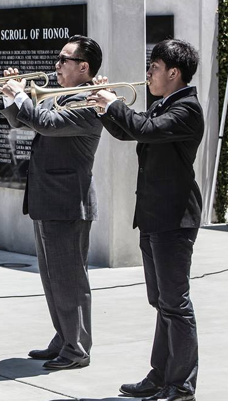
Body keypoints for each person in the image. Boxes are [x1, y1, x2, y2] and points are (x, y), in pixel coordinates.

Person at [88, 39, 202, 401]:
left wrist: (115, 103)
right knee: (161, 302)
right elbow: (128, 130)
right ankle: (160, 375)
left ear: (173, 72)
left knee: (175, 303)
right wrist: (103, 107)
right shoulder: (163, 105)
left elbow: (145, 130)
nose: (147, 73)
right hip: (154, 216)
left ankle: (181, 385)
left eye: (153, 66)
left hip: (174, 218)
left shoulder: (187, 109)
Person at [0, 35, 103, 370]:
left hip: (69, 202)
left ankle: (77, 348)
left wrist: (21, 96)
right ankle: (64, 336)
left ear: (83, 67)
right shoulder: (55, 96)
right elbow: (21, 121)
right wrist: (10, 95)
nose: (56, 65)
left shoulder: (87, 102)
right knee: (52, 277)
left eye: (63, 60)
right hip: (47, 199)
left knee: (70, 279)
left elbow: (46, 123)